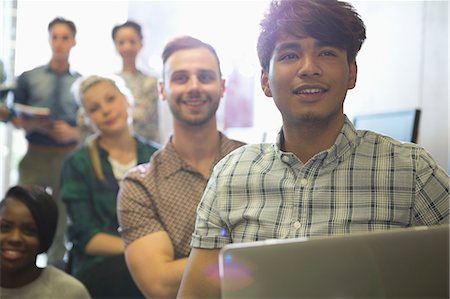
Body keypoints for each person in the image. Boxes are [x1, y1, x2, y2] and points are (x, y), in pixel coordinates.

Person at [177, 0, 450, 298]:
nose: (309, 68)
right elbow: (197, 293)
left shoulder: (411, 171)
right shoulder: (230, 175)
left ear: (351, 73)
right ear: (266, 81)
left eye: (327, 53)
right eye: (290, 54)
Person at [117, 36, 245, 298]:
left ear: (221, 87)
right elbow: (161, 285)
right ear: (163, 90)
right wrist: (252, 254)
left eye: (205, 77)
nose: (194, 87)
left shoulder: (256, 162)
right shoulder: (140, 186)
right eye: (181, 78)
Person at [60, 75, 158, 298]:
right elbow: (86, 237)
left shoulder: (157, 157)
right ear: (87, 118)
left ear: (126, 100)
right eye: (95, 108)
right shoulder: (78, 164)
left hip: (154, 260)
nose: (105, 110)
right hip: (99, 266)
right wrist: (140, 251)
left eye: (110, 99)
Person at [12, 17, 81, 265]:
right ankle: (20, 265)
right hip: (35, 154)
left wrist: (74, 133)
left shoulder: (81, 83)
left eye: (65, 38)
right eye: (55, 37)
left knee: (63, 218)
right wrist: (29, 123)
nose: (59, 43)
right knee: (23, 209)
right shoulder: (29, 78)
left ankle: (55, 274)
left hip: (68, 157)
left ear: (73, 41)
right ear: (49, 39)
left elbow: (88, 125)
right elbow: (13, 116)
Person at [0, 185, 90, 298]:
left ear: (44, 238)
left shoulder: (69, 292)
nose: (15, 238)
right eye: (4, 228)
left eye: (29, 231)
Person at [112, 20, 160, 142]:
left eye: (132, 42)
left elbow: (145, 116)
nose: (127, 47)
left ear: (141, 44)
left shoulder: (151, 82)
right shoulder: (110, 82)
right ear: (115, 46)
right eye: (121, 42)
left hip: (146, 147)